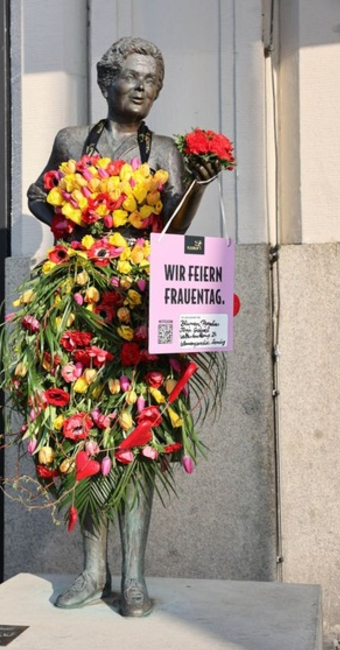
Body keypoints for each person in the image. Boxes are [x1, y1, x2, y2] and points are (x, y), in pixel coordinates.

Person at [19, 37, 219, 617]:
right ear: (106, 81)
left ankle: (133, 578)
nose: (140, 88)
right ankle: (91, 569)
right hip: (79, 300)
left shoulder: (166, 151)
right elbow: (40, 193)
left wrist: (200, 184)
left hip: (139, 304)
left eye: (151, 81)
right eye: (130, 77)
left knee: (139, 441)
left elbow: (176, 230)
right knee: (81, 433)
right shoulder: (71, 141)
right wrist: (76, 221)